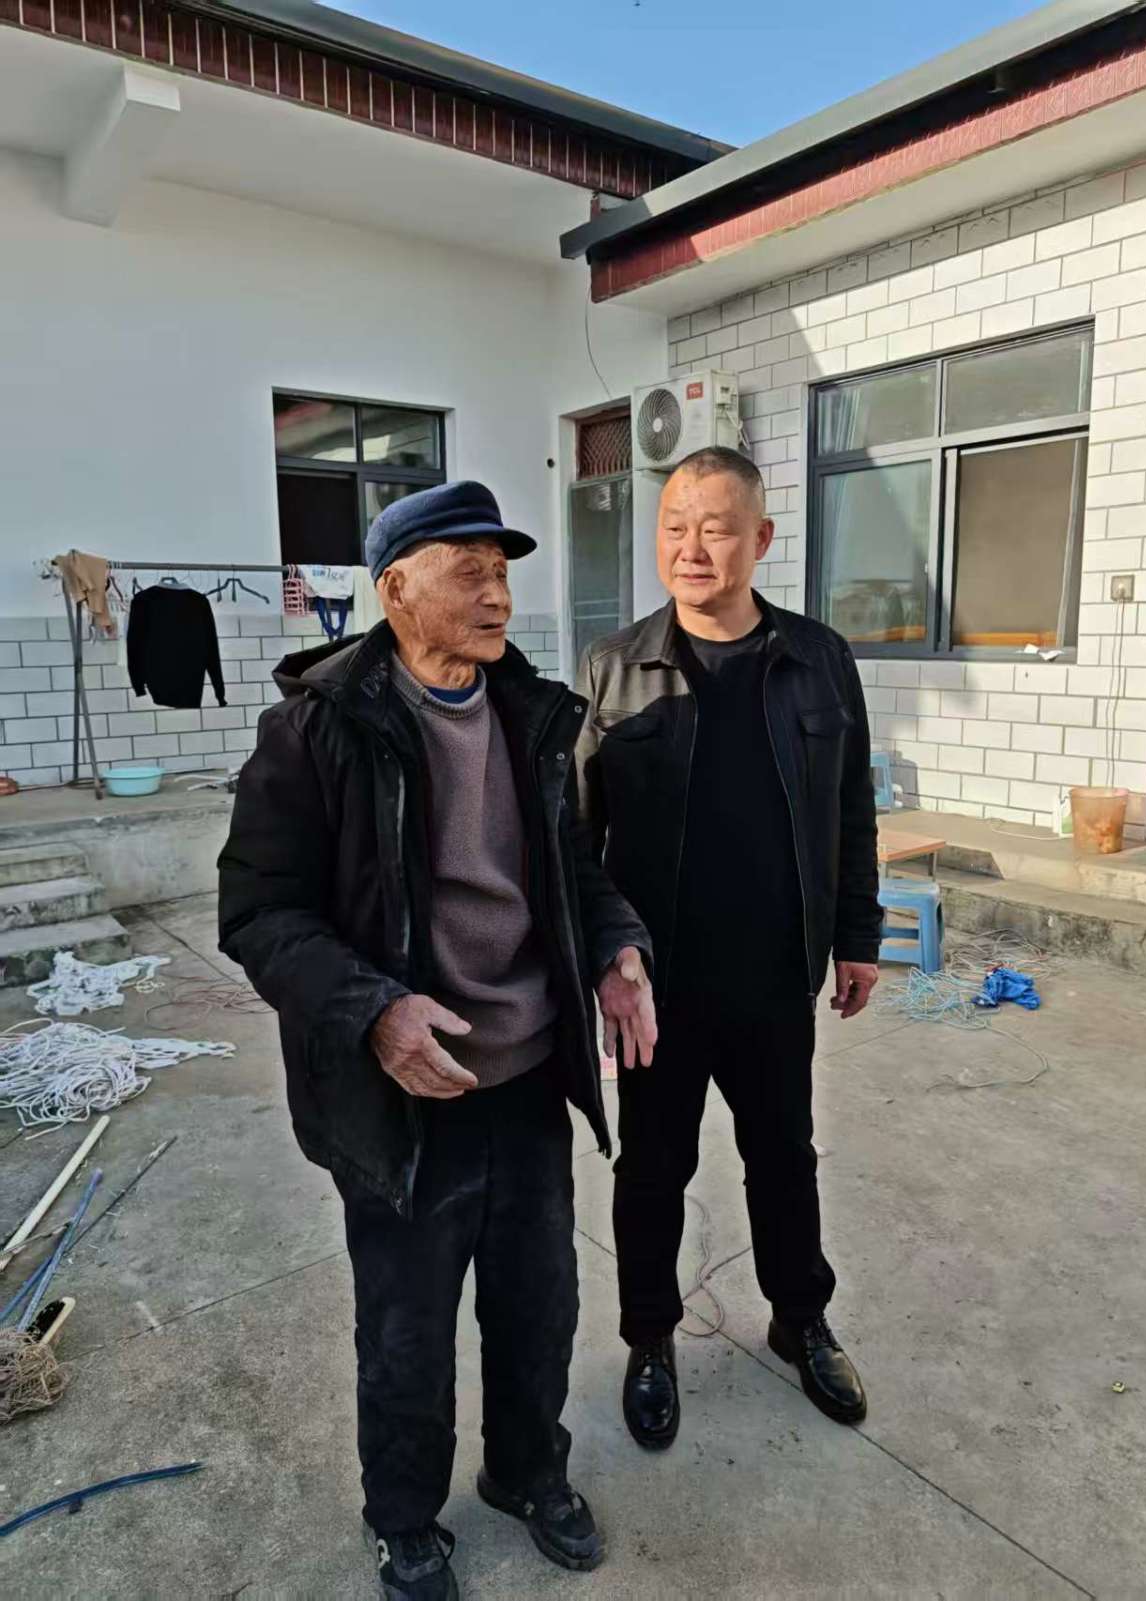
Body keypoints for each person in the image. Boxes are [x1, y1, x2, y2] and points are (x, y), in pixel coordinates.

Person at [218, 481, 656, 1601]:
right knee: (407, 1329)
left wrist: (616, 948)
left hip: (530, 1074)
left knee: (539, 1305)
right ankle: (405, 1517)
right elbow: (259, 912)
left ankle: (527, 1470)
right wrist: (375, 1008)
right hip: (403, 1093)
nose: (497, 592)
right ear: (397, 589)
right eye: (469, 571)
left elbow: (572, 870)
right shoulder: (316, 729)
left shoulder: (534, 715)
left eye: (503, 571)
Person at [575, 446, 881, 1452]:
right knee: (651, 1170)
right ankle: (650, 1338)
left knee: (784, 1157)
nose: (691, 547)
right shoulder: (614, 666)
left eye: (715, 527)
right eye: (674, 525)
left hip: (775, 973)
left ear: (761, 538)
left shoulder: (819, 659)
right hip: (656, 987)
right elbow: (576, 837)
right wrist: (603, 962)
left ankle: (801, 1318)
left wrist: (858, 935)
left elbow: (851, 809)